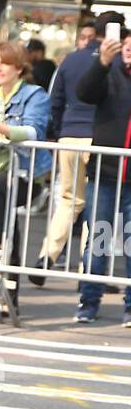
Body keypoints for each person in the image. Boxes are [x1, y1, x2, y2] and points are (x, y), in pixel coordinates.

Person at [0, 40, 51, 319]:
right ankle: (10, 300)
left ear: (19, 67)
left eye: (3, 63)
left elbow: (33, 132)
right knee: (8, 226)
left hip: (27, 175)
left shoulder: (35, 95)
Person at [74, 26, 131, 325]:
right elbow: (84, 93)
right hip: (104, 173)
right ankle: (89, 301)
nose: (128, 50)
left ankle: (130, 306)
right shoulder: (108, 72)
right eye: (126, 45)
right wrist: (102, 64)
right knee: (98, 240)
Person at [35, 17, 100, 277]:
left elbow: (56, 100)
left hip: (69, 136)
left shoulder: (70, 60)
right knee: (98, 203)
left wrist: (58, 132)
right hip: (100, 139)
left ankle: (46, 256)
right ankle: (90, 269)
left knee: (68, 199)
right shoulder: (114, 64)